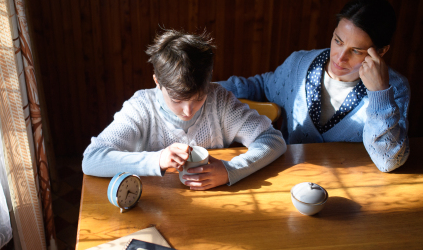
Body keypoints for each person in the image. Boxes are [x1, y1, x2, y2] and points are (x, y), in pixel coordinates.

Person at [219, 0, 410, 172]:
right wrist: (204, 89)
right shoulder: (299, 64)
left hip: (350, 189)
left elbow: (388, 161)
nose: (340, 57)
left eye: (356, 51)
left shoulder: (395, 88)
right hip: (288, 176)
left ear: (381, 51)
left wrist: (379, 93)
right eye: (338, 40)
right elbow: (261, 86)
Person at [82, 30, 286, 190]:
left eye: (198, 99)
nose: (188, 111)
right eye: (177, 100)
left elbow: (273, 140)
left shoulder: (219, 100)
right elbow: (92, 159)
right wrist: (157, 159)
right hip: (155, 206)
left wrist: (230, 170)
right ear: (157, 82)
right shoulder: (142, 107)